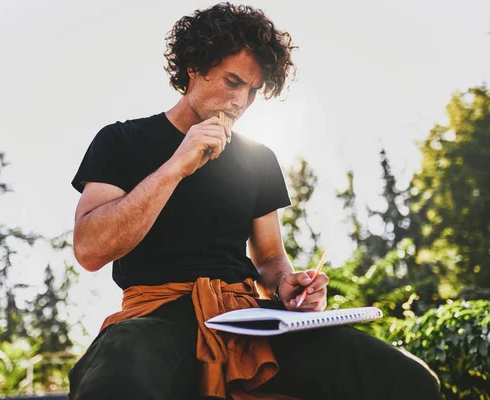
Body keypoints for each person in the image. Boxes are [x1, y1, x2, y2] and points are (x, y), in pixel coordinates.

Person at [68, 3, 441, 399]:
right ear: (194, 66)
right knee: (116, 382)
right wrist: (176, 166)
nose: (240, 102)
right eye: (232, 82)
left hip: (247, 319)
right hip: (153, 317)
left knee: (410, 381)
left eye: (253, 91)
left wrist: (289, 286)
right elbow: (90, 249)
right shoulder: (120, 141)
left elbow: (269, 258)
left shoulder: (258, 158)